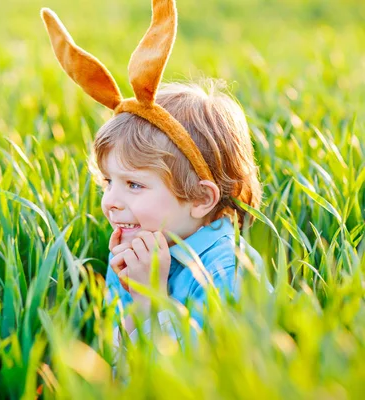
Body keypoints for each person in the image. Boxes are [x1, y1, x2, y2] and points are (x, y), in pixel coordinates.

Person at [40, 0, 267, 345]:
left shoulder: (226, 271)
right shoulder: (137, 248)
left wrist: (150, 301)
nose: (111, 202)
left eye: (133, 184)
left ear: (201, 198)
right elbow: (116, 360)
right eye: (107, 182)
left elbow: (196, 378)